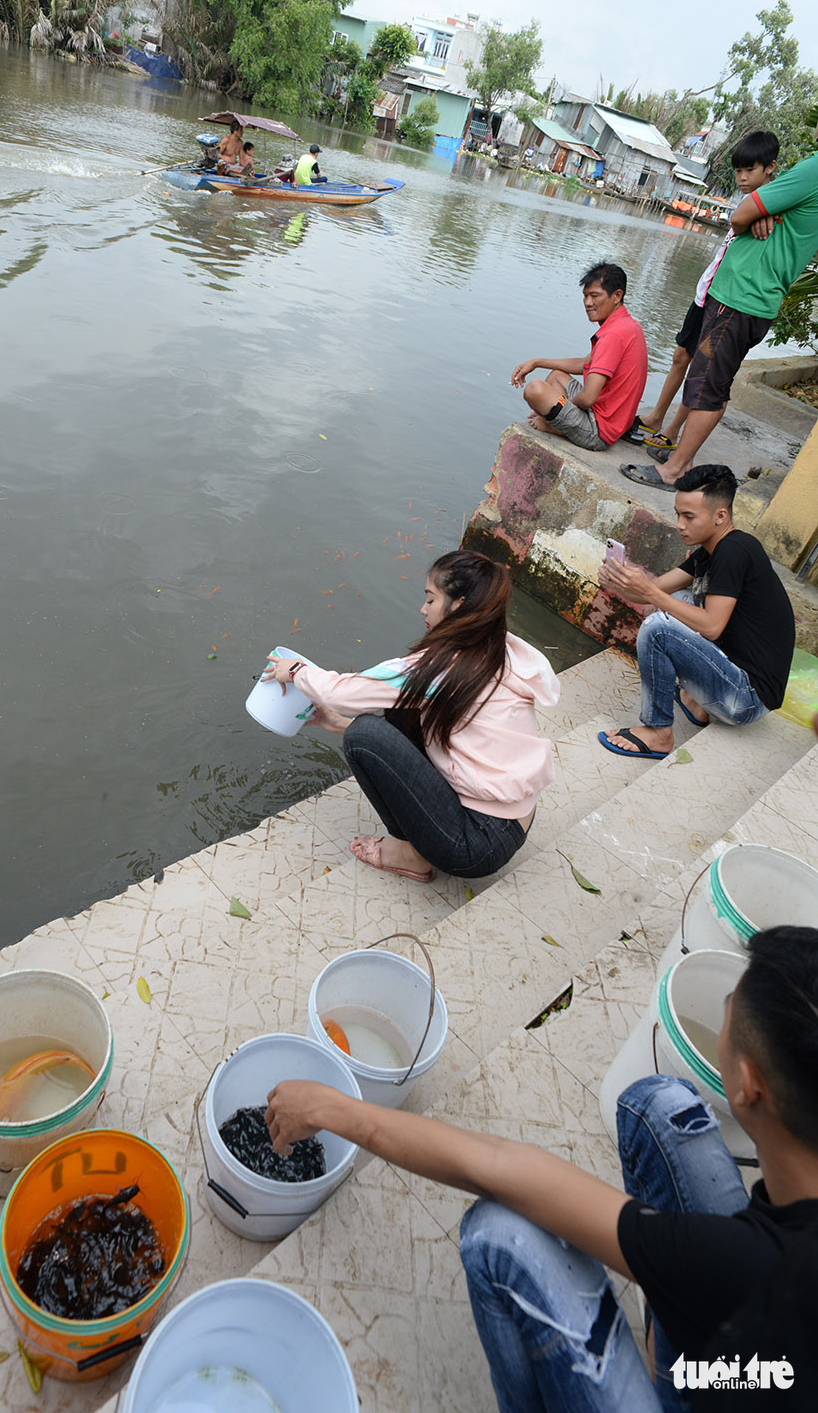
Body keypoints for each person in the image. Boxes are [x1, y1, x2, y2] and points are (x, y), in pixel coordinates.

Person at [265, 924, 818, 1412]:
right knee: (662, 1106)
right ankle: (690, 1349)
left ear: (747, 1085)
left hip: (752, 1351)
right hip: (758, 1363)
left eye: (727, 1014)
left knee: (502, 1235)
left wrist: (331, 1108)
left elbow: (499, 1170)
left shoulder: (754, 1270)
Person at [261, 550, 558, 882]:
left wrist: (297, 671)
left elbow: (341, 692)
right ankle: (420, 845)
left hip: (477, 845)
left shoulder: (442, 667)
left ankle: (411, 855)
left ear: (458, 605)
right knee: (400, 712)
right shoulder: (497, 648)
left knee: (364, 735)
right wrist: (337, 723)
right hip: (513, 822)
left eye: (430, 599)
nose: (423, 609)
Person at [621, 121, 818, 488]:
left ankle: (675, 468)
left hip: (741, 297)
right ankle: (682, 454)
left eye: (749, 171)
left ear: (769, 167)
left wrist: (753, 212)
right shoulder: (798, 179)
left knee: (709, 386)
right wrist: (760, 209)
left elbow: (739, 216)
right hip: (740, 296)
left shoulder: (815, 168)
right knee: (707, 380)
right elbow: (750, 212)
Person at [597, 463, 795, 760]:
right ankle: (696, 702)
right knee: (680, 599)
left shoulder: (735, 551)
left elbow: (712, 626)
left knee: (658, 627)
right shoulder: (711, 549)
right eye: (678, 514)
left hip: (745, 699)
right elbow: (658, 590)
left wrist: (649, 592)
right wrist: (621, 581)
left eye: (689, 516)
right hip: (736, 679)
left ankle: (658, 732)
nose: (679, 524)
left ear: (720, 516)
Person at [633, 132, 780, 455]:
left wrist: (761, 213)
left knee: (702, 369)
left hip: (727, 299)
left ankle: (672, 430)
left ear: (770, 168)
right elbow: (736, 222)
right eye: (738, 171)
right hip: (707, 290)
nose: (742, 178)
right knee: (680, 356)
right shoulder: (751, 202)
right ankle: (657, 416)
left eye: (749, 171)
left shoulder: (773, 201)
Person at [511, 261, 648, 451]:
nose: (587, 303)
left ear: (617, 296)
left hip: (599, 432)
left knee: (535, 390)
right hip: (612, 419)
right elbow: (585, 363)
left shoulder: (613, 335)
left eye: (594, 296)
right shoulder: (626, 325)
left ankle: (556, 427)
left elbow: (589, 397)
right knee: (556, 375)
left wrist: (558, 411)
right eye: (585, 296)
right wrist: (536, 362)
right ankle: (558, 419)